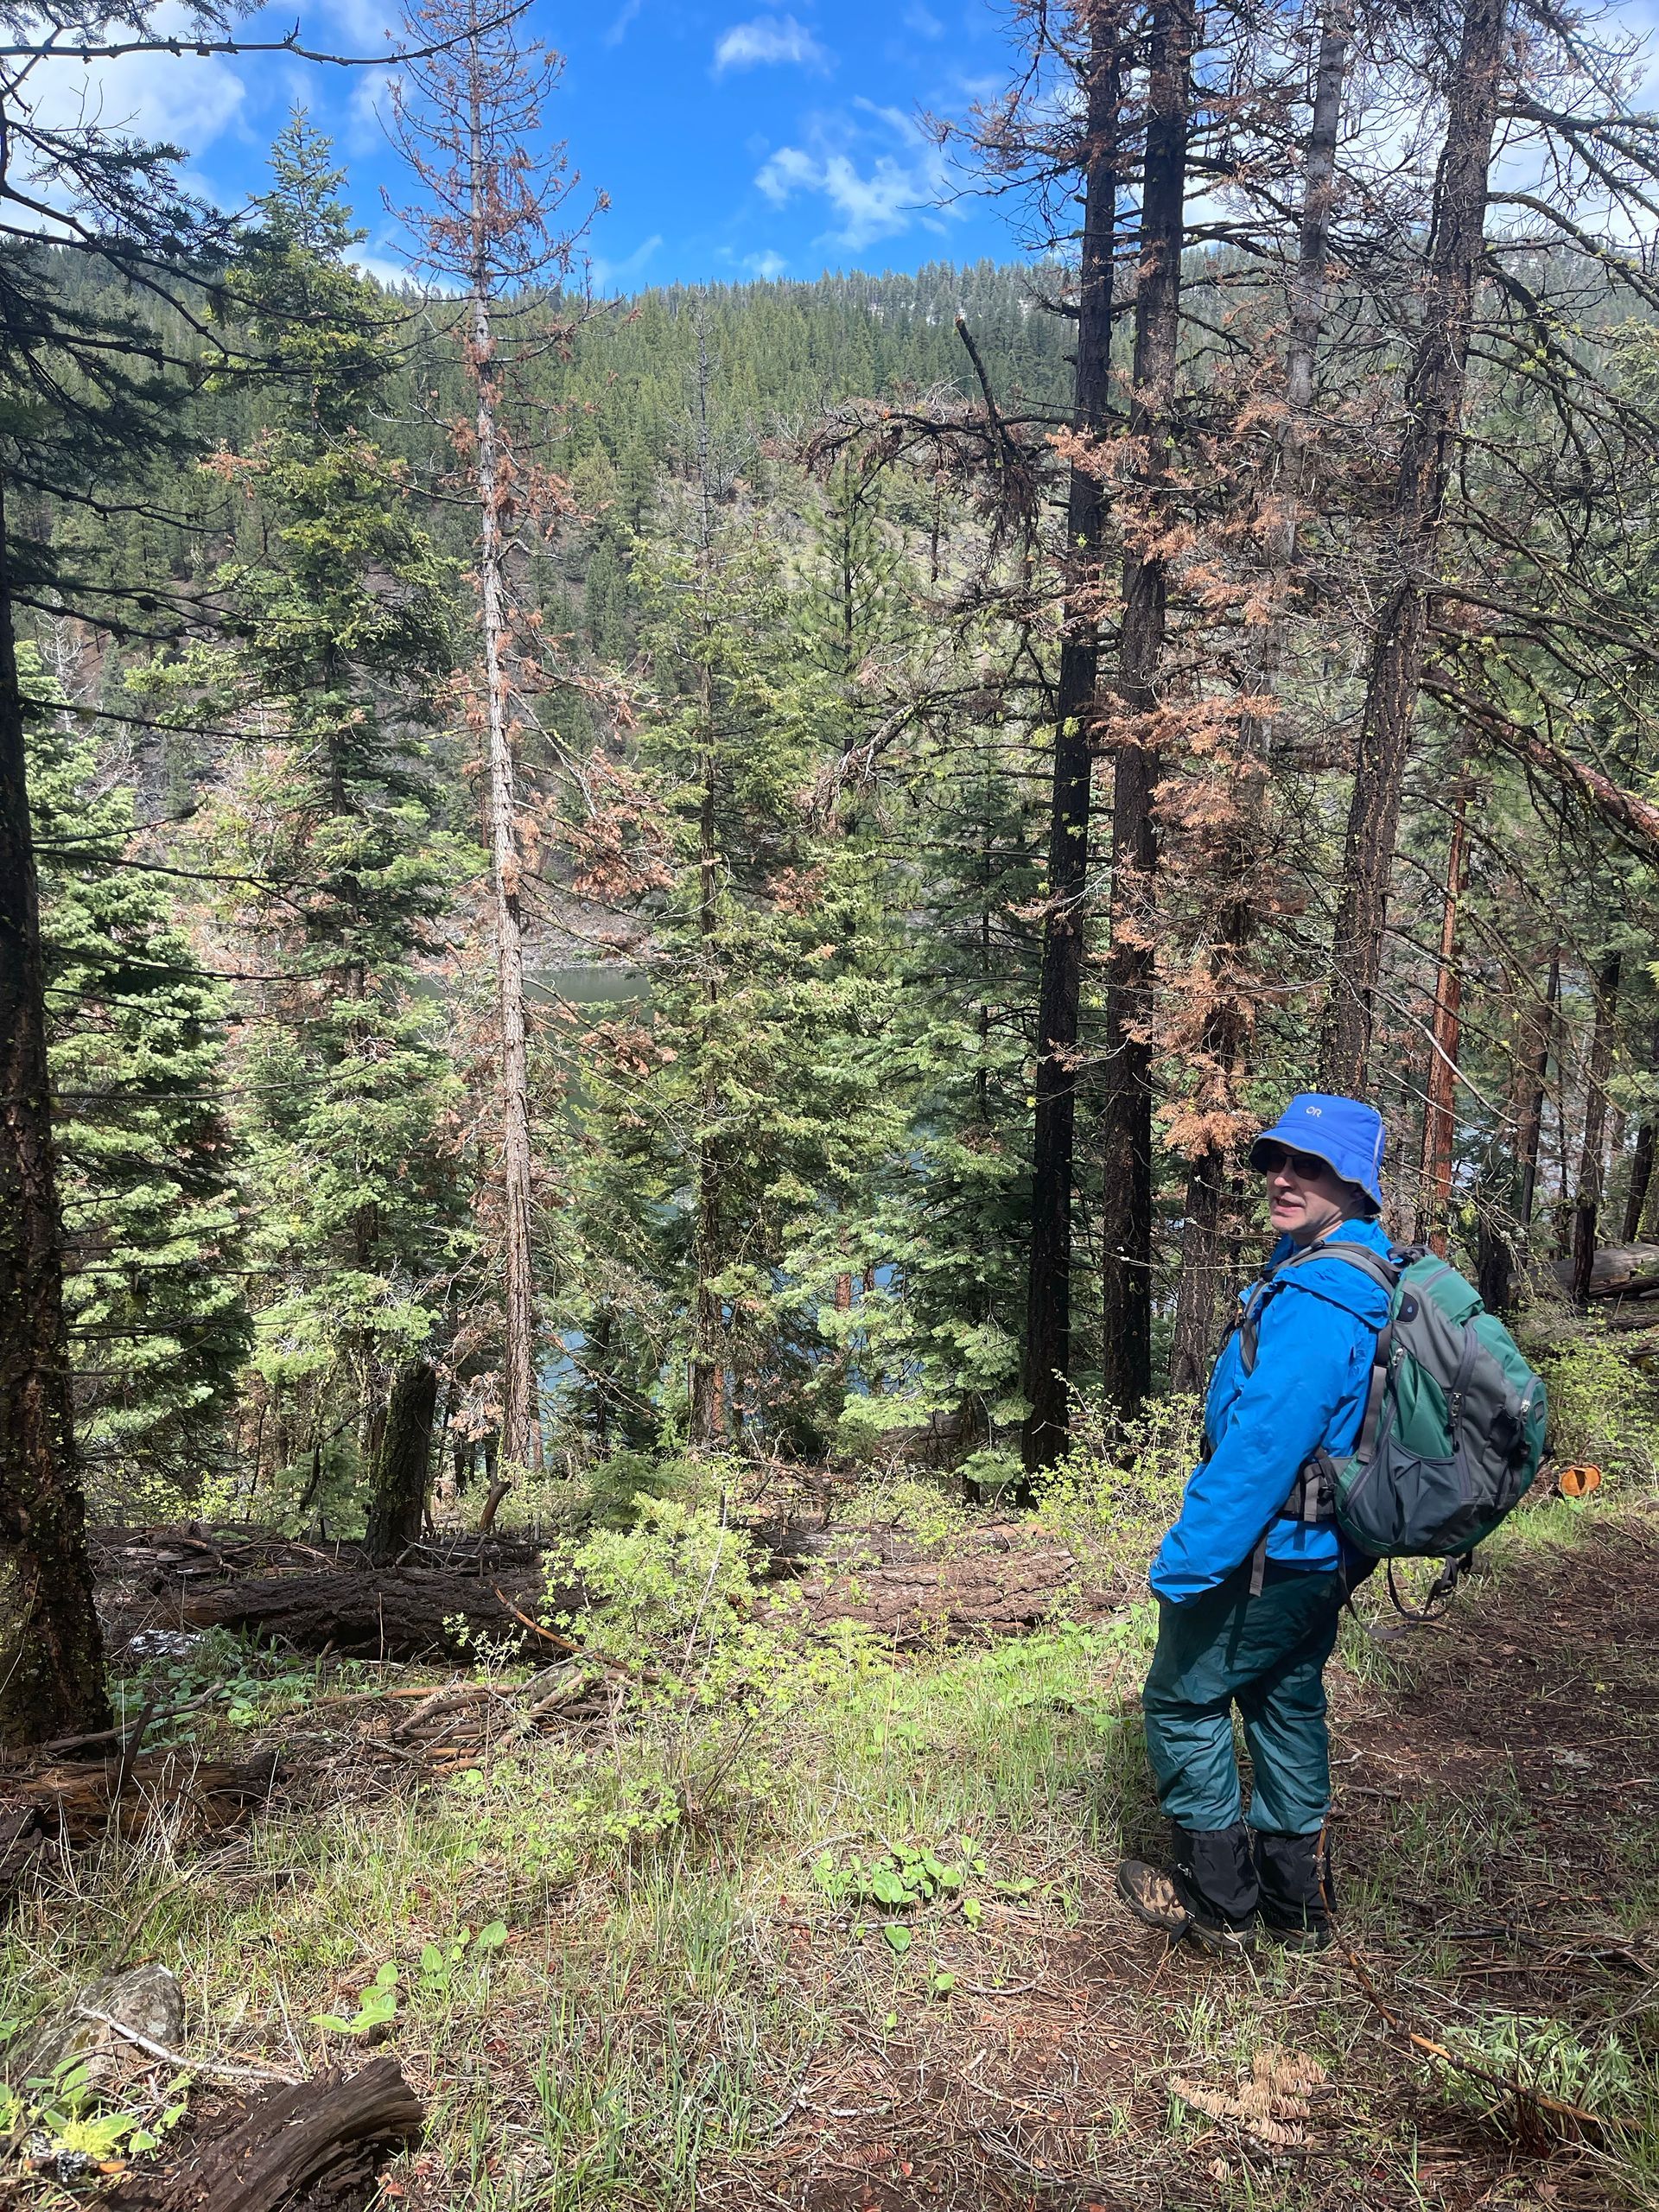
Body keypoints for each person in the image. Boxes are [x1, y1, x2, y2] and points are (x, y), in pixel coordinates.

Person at [1116, 1092, 1393, 1956]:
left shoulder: (1320, 1299)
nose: (1283, 1177)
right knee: (1284, 1701)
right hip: (1322, 1554)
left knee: (1182, 1700)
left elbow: (1261, 1450)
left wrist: (1187, 1561)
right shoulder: (1348, 1269)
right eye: (1277, 1159)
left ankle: (1221, 1906)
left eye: (1311, 1166)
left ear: (1355, 1184)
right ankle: (1297, 1911)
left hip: (1269, 1553)